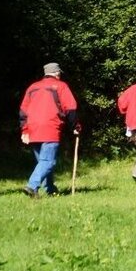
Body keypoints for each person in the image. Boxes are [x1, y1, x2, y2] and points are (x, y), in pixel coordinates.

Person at [19, 62, 81, 197]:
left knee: (43, 162)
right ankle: (32, 185)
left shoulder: (32, 87)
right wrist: (75, 126)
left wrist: (24, 130)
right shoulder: (61, 86)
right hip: (50, 127)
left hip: (33, 128)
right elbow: (70, 108)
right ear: (57, 73)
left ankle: (50, 189)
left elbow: (23, 111)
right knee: (48, 161)